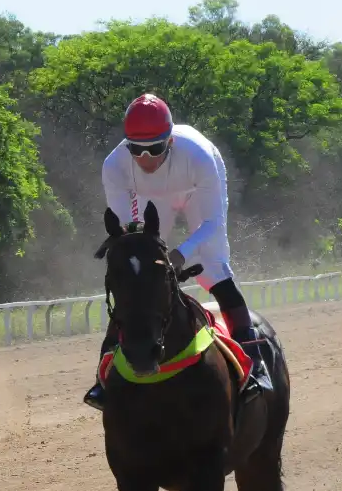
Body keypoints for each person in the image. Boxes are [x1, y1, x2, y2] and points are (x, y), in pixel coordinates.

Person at [83, 92, 273, 410]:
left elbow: (212, 223)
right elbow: (132, 234)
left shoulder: (198, 156)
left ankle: (255, 365)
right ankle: (104, 376)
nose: (144, 159)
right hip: (150, 199)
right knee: (136, 280)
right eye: (136, 150)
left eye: (154, 149)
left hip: (195, 189)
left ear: (169, 142)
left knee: (213, 268)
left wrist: (181, 253)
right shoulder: (115, 166)